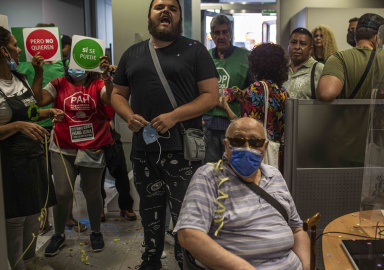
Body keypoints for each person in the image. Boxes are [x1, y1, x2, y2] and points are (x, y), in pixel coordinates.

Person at [110, 0, 219, 268]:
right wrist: (128, 115)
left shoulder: (195, 51)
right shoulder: (132, 54)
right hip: (143, 149)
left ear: (179, 16)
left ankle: (188, 263)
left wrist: (174, 116)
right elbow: (117, 94)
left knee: (186, 215)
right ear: (149, 14)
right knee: (149, 212)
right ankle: (150, 261)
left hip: (183, 151)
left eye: (172, 7)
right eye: (159, 6)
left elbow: (211, 97)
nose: (165, 11)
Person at [175, 117, 310, 270]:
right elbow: (189, 234)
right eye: (238, 141)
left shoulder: (274, 175)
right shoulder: (209, 176)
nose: (247, 147)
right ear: (226, 145)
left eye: (255, 142)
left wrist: (307, 266)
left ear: (265, 147)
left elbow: (297, 229)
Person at [30, 51, 115, 256]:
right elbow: (39, 101)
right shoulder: (58, 83)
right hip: (63, 144)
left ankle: (96, 232)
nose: (77, 68)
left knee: (92, 192)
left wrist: (108, 78)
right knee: (62, 193)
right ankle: (58, 234)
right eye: (73, 63)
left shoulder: (98, 84)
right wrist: (38, 72)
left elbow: (110, 100)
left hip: (92, 145)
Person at [0, 26, 64, 270]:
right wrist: (16, 125)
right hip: (11, 162)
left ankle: (30, 260)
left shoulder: (20, 78)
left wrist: (48, 111)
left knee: (34, 214)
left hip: (34, 157)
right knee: (15, 219)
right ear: (3, 51)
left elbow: (33, 110)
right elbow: (18, 121)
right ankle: (16, 266)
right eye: (15, 46)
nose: (19, 50)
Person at [317, 13, 384, 102]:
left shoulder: (338, 58)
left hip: (345, 126)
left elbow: (326, 93)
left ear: (355, 36)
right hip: (379, 126)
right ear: (378, 37)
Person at [220, 43, 289, 171]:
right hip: (276, 151)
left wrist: (226, 107)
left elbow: (245, 128)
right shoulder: (282, 91)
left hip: (256, 151)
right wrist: (245, 101)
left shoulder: (256, 88)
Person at [203, 14, 250, 163]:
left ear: (230, 34)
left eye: (225, 32)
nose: (221, 36)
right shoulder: (204, 58)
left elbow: (256, 87)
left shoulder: (246, 57)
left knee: (234, 168)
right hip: (208, 125)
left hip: (235, 123)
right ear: (212, 35)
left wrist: (243, 92)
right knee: (211, 169)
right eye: (217, 33)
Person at [283, 28, 324, 99]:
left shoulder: (319, 69)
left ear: (310, 49)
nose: (297, 47)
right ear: (288, 45)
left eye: (303, 44)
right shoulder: (281, 68)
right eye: (293, 42)